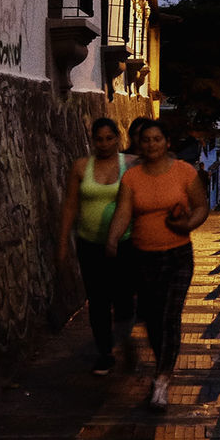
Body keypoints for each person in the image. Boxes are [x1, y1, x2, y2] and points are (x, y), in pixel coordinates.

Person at [105, 119, 210, 411]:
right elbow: (124, 212)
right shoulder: (132, 178)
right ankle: (162, 366)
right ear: (140, 143)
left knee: (170, 316)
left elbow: (202, 206)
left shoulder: (184, 172)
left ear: (167, 143)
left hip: (178, 255)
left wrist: (188, 223)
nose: (151, 144)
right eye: (146, 140)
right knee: (152, 318)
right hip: (143, 256)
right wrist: (112, 239)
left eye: (157, 139)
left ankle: (163, 379)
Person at [57, 117, 136, 376]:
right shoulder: (81, 167)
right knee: (98, 300)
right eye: (99, 139)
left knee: (123, 298)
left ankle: (125, 337)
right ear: (93, 140)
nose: (104, 144)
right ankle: (105, 353)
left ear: (118, 138)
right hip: (89, 244)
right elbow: (70, 205)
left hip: (124, 244)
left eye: (109, 138)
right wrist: (63, 244)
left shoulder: (131, 164)